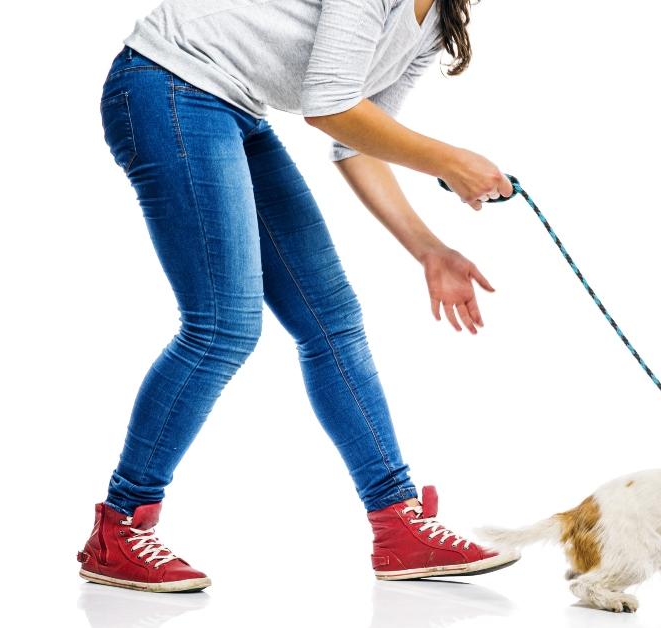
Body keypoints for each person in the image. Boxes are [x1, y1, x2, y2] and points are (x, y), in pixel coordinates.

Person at [77, 0, 518, 592]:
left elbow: (357, 139)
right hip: (168, 82)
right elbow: (330, 107)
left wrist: (429, 249)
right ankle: (120, 526)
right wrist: (448, 159)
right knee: (222, 327)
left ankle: (396, 524)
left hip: (231, 106)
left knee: (332, 320)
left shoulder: (438, 20)